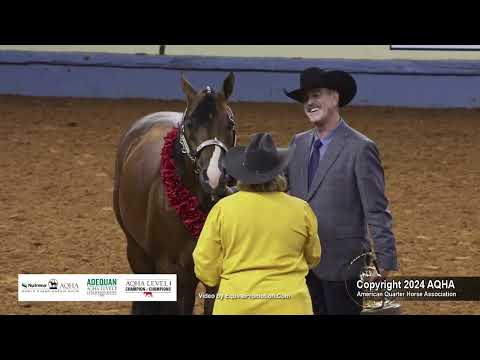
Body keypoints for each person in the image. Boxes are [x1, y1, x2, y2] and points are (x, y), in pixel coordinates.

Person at [283, 67, 399, 315]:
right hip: (301, 264)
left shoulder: (361, 148)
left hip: (344, 265)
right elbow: (280, 192)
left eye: (316, 95)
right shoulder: (298, 143)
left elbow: (376, 208)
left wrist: (385, 260)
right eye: (305, 99)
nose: (310, 103)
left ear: (335, 98)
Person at [192, 133, 321, 315]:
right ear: (278, 173)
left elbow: (205, 264)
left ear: (243, 173)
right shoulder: (301, 210)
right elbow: (313, 257)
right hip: (291, 305)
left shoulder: (223, 209)